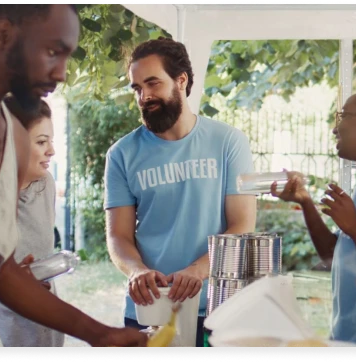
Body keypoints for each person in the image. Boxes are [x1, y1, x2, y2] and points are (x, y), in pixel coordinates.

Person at [0, 4, 147, 348]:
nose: (62, 74)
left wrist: (101, 334)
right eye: (53, 52)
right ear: (4, 33)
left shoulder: (14, 140)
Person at [104, 37, 257, 347]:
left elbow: (242, 225)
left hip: (218, 308)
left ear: (181, 80)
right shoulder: (121, 154)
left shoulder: (229, 142)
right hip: (150, 308)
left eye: (152, 83)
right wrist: (136, 272)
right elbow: (118, 237)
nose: (144, 96)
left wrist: (197, 270)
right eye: (137, 88)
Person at [271, 86, 356, 347]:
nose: (336, 128)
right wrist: (305, 203)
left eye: (344, 116)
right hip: (346, 340)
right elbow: (334, 255)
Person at [0, 97, 65, 347]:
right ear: (10, 142)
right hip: (5, 330)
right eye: (42, 142)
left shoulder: (46, 184)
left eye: (50, 141)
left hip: (47, 326)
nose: (51, 151)